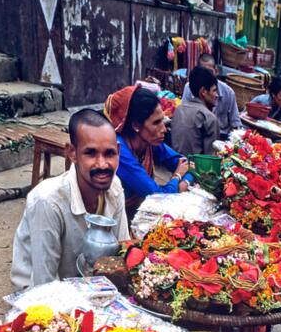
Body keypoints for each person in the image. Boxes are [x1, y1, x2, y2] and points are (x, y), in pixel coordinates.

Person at [10, 109, 128, 290]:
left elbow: (121, 256)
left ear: (118, 152)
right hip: (41, 299)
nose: (103, 164)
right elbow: (45, 285)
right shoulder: (47, 202)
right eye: (91, 153)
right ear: (72, 153)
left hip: (90, 291)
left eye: (109, 153)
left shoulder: (114, 187)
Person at [104, 85, 193, 221]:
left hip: (134, 213)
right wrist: (177, 177)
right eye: (156, 123)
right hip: (113, 220)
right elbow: (157, 197)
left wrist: (183, 183)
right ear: (136, 125)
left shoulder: (149, 142)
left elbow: (187, 164)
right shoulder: (118, 151)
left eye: (163, 121)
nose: (164, 129)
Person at [181, 52, 242, 137]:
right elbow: (184, 115)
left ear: (216, 71)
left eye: (209, 72)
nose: (206, 76)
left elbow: (235, 124)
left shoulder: (228, 92)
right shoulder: (189, 87)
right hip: (196, 134)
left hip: (222, 137)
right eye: (203, 72)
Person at [170, 65, 220, 157]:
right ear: (203, 91)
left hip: (177, 167)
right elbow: (211, 159)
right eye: (214, 91)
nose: (217, 95)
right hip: (197, 169)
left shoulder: (179, 110)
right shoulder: (209, 118)